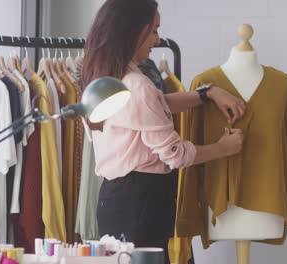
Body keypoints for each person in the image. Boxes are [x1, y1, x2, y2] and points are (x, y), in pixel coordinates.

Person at [80, 0, 245, 263]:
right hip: (140, 199)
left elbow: (158, 105)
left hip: (118, 198)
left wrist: (207, 94)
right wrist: (223, 148)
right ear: (133, 30)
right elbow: (175, 155)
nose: (157, 40)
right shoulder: (137, 85)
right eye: (154, 30)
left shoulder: (108, 77)